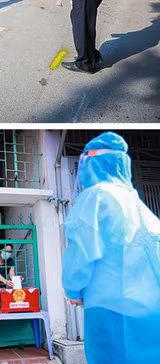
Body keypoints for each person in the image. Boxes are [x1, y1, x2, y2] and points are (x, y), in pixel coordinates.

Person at [62, 132, 160, 364]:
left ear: (90, 163)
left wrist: (72, 291)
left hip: (110, 309)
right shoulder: (138, 203)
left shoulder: (95, 196)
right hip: (151, 312)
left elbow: (82, 251)